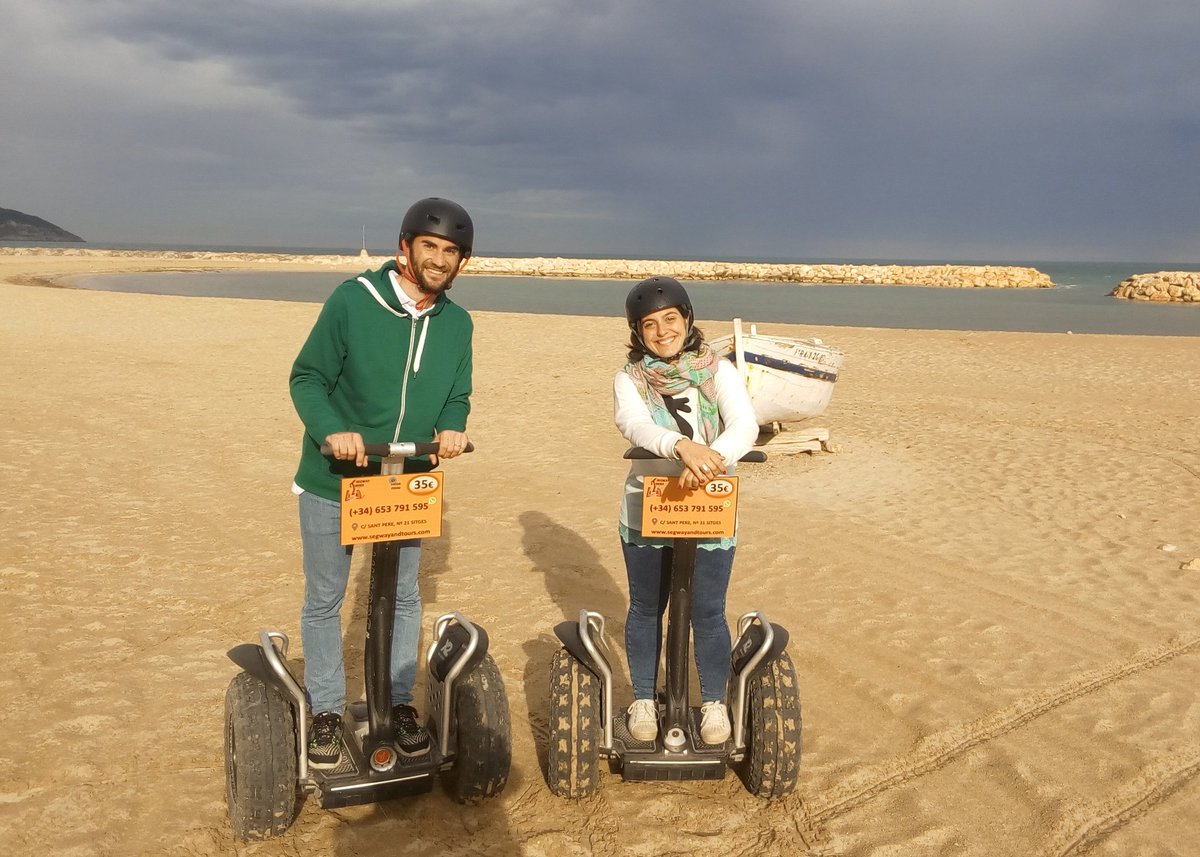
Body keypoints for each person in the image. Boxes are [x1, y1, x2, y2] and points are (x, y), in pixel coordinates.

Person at [289, 197, 475, 769]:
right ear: (404, 248)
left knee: (405, 595)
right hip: (335, 478)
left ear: (462, 261)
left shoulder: (458, 324)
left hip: (406, 481)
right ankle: (326, 710)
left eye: (451, 251)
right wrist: (332, 431)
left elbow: (457, 393)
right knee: (326, 598)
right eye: (430, 246)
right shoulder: (352, 301)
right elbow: (308, 377)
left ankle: (396, 705)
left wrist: (452, 427)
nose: (439, 259)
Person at [613, 276, 759, 746]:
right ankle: (643, 698)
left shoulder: (720, 371)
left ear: (688, 319)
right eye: (650, 325)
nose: (662, 332)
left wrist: (711, 460)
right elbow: (633, 424)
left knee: (708, 611)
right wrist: (680, 447)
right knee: (646, 607)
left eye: (670, 319)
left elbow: (745, 424)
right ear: (638, 332)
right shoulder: (629, 379)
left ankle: (712, 701)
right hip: (648, 505)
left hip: (710, 504)